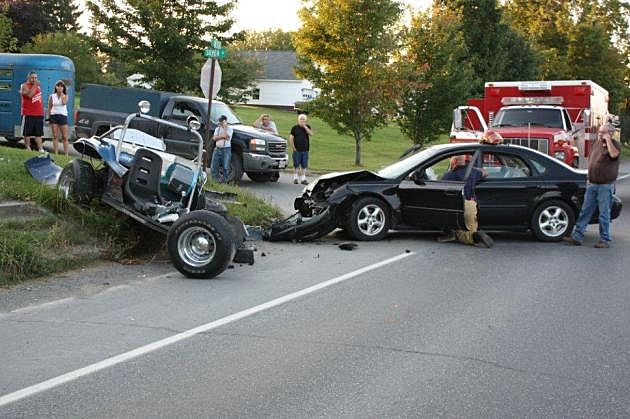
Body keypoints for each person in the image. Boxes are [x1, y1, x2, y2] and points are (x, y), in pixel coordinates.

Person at [564, 122, 621, 248]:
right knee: (585, 211)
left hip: (605, 185)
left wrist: (608, 141)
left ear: (610, 134)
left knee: (604, 213)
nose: (600, 135)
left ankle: (605, 239)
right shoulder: (596, 144)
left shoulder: (615, 145)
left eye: (603, 133)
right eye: (599, 132)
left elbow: (614, 155)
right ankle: (577, 237)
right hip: (592, 183)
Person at [436, 154, 493, 248]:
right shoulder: (473, 172)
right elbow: (485, 173)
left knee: (459, 232)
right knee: (471, 228)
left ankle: (461, 236)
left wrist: (451, 169)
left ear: (453, 162)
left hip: (456, 207)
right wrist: (473, 169)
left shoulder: (448, 175)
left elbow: (442, 189)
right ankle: (474, 235)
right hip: (470, 205)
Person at [20, 71, 44, 152]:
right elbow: (30, 95)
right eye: (32, 77)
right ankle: (28, 148)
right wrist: (35, 85)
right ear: (28, 78)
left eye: (36, 78)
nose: (34, 79)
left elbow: (39, 98)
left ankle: (41, 149)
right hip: (29, 113)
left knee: (39, 133)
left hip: (39, 113)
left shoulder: (37, 87)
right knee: (27, 133)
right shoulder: (24, 86)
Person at [289, 114, 313, 185]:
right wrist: (293, 147)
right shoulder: (294, 128)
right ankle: (295, 178)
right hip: (297, 150)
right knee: (296, 164)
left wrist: (305, 127)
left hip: (305, 150)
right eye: (301, 119)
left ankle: (303, 179)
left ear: (305, 120)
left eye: (303, 119)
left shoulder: (307, 127)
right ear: (298, 120)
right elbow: (291, 138)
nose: (302, 121)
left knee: (304, 165)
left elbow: (311, 134)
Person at [47, 80, 70, 156]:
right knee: (55, 136)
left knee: (65, 137)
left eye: (61, 86)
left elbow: (64, 103)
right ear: (56, 87)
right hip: (54, 116)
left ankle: (66, 154)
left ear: (63, 88)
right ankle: (56, 153)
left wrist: (62, 95)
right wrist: (49, 118)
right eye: (58, 86)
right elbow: (49, 107)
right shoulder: (52, 96)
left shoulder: (65, 95)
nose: (59, 87)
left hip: (63, 116)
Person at [211, 115, 233, 183]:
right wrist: (222, 136)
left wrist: (225, 128)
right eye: (220, 121)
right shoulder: (217, 129)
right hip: (217, 148)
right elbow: (214, 138)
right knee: (214, 166)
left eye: (221, 121)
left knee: (226, 166)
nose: (220, 123)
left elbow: (227, 137)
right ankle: (215, 181)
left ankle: (225, 181)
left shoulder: (230, 129)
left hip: (226, 149)